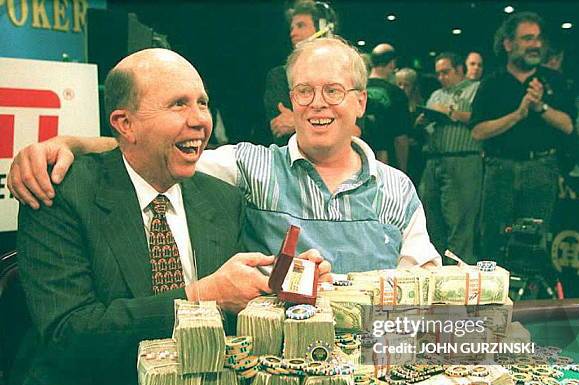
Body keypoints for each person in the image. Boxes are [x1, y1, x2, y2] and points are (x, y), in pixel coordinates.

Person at [4, 49, 327, 385]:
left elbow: (236, 309)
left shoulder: (222, 199)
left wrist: (289, 286)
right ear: (125, 123)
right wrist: (199, 297)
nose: (199, 120)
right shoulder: (59, 193)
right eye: (178, 104)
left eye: (202, 103)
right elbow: (69, 335)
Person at [9, 37, 441, 274]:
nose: (318, 104)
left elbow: (423, 292)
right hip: (277, 372)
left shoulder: (396, 188)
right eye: (304, 92)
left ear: (361, 102)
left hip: (374, 363)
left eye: (333, 91)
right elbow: (156, 150)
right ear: (290, 100)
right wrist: (72, 144)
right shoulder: (250, 167)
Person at [471, 11, 574, 262]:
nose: (536, 45)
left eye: (538, 39)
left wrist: (541, 108)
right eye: (527, 38)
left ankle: (530, 299)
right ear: (508, 44)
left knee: (533, 243)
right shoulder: (492, 83)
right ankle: (493, 299)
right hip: (500, 169)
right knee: (494, 238)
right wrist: (517, 115)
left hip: (541, 169)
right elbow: (478, 131)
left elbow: (568, 126)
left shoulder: (554, 80)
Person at [417, 52, 482, 263]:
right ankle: (435, 268)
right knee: (430, 218)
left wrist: (450, 112)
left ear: (460, 69)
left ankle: (460, 272)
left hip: (462, 159)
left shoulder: (475, 90)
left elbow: (481, 119)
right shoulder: (436, 95)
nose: (441, 77)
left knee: (460, 220)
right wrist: (423, 120)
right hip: (434, 159)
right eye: (438, 74)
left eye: (446, 72)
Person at [263, 0, 337, 146]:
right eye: (292, 28)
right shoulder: (279, 76)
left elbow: (355, 130)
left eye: (300, 26)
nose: (293, 33)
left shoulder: (343, 73)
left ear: (323, 28)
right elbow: (280, 126)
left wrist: (297, 122)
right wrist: (328, 123)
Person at [361, 43, 410, 173]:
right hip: (387, 164)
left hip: (357, 159)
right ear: (392, 63)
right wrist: (403, 170)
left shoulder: (357, 90)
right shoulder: (396, 93)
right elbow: (401, 138)